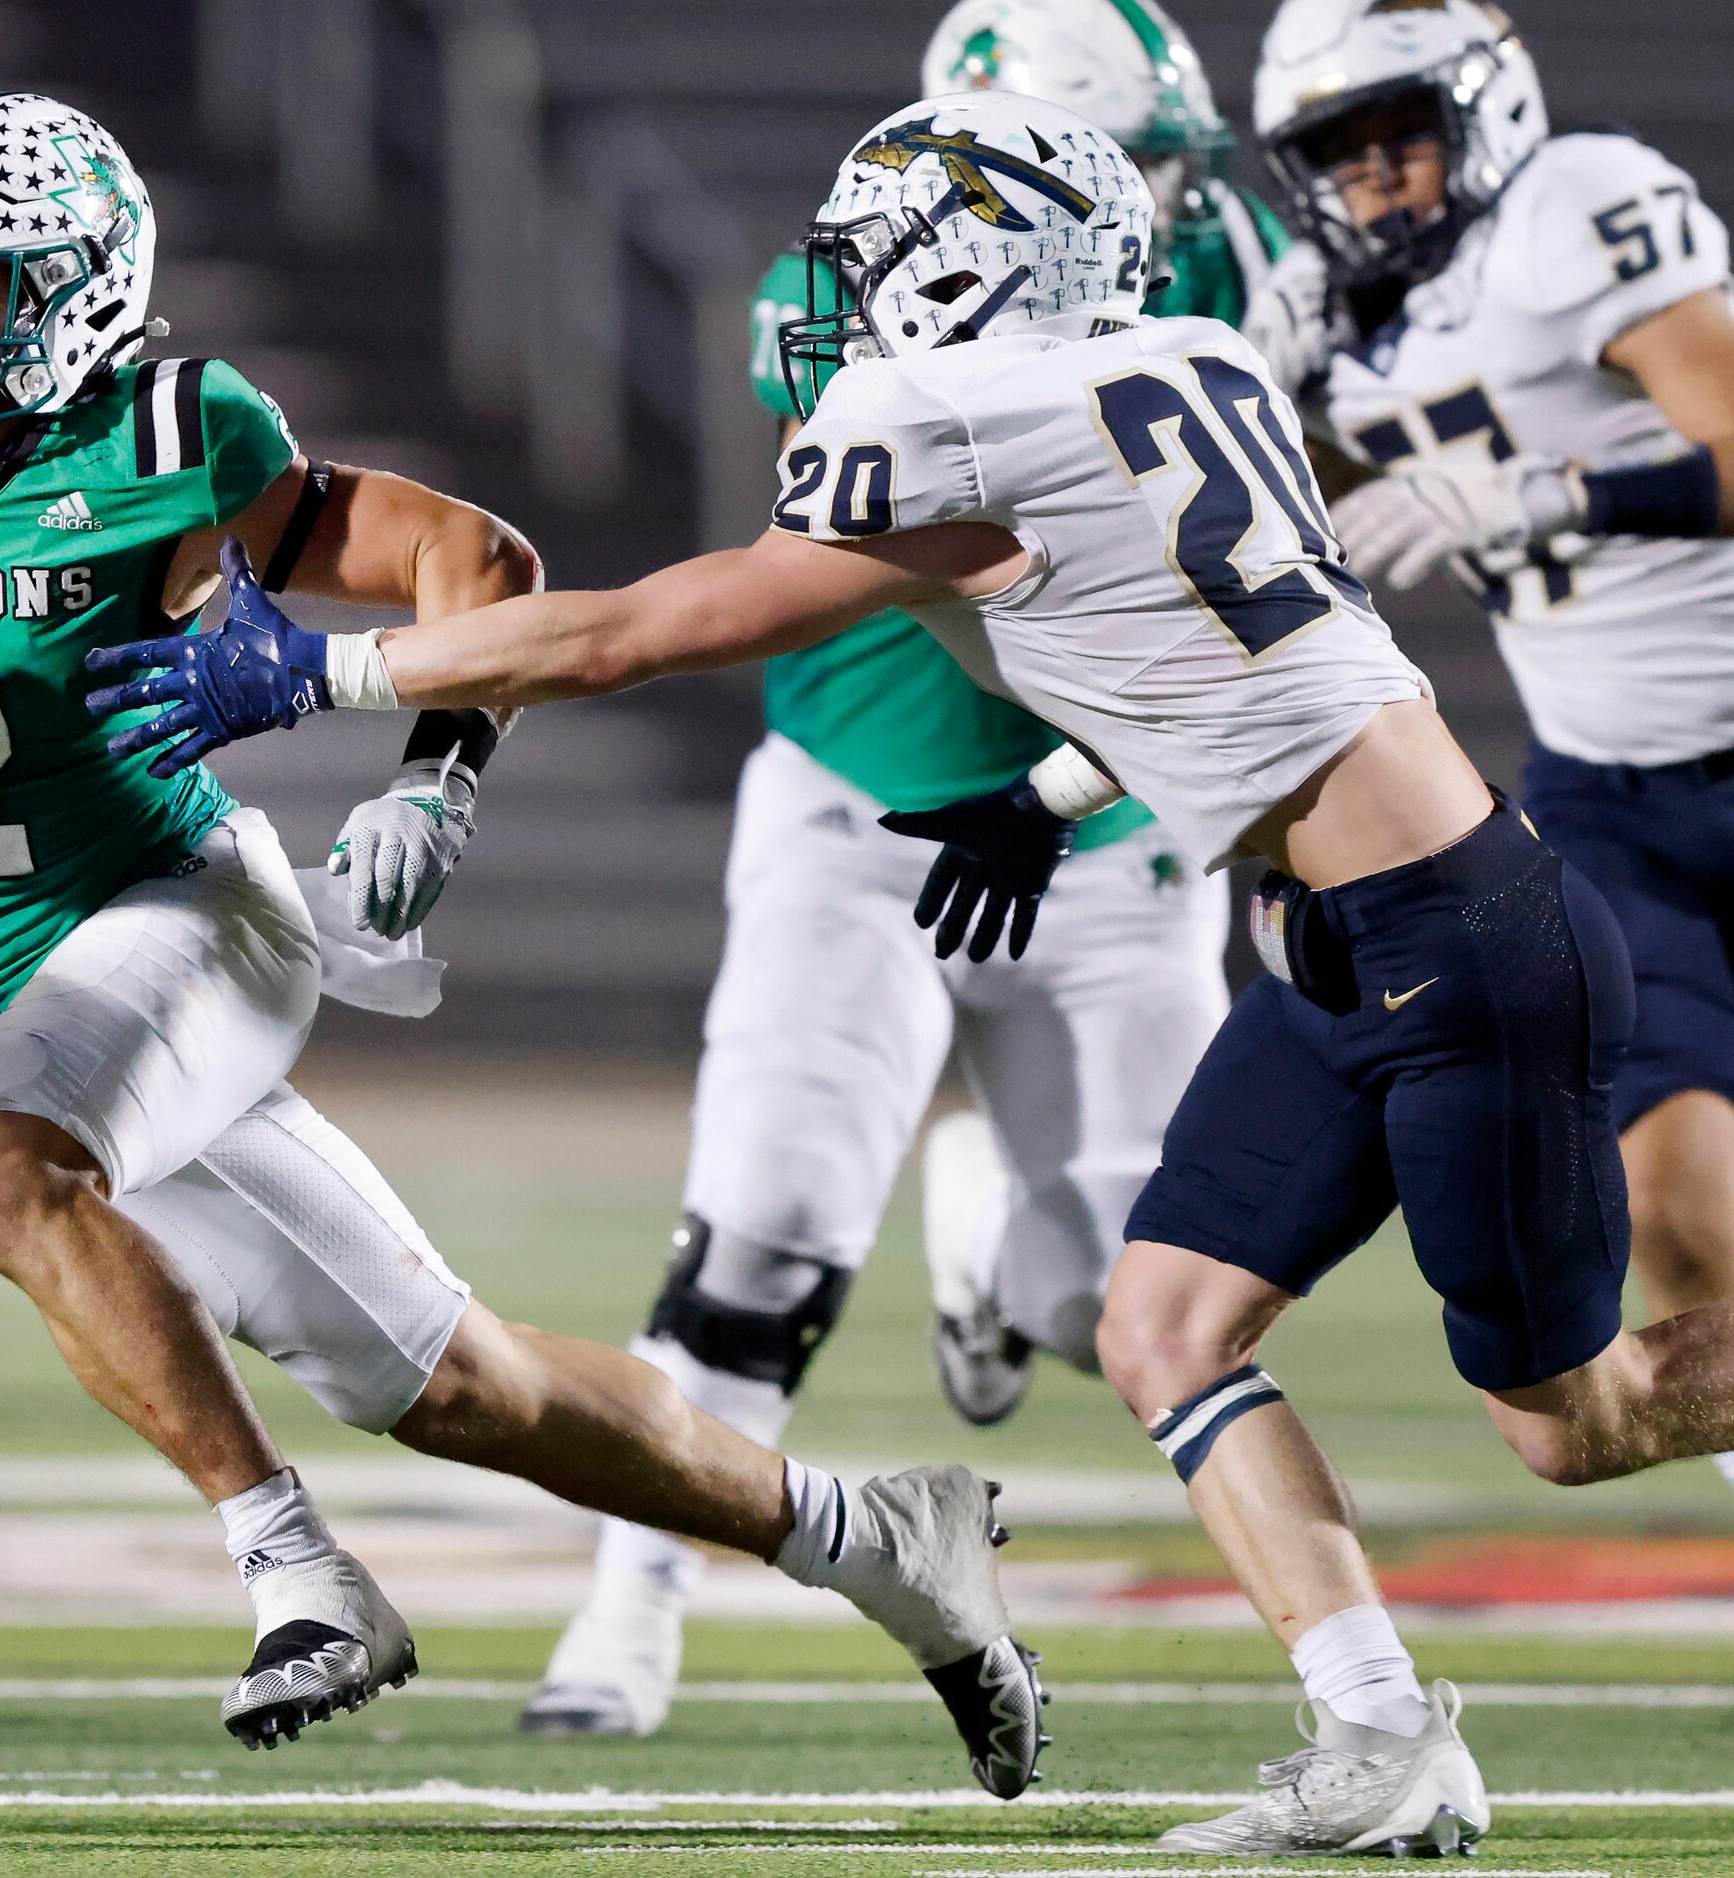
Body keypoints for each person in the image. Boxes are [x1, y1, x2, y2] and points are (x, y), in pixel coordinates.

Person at [90, 85, 1734, 1856]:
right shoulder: (1194, 355)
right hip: (1360, 925)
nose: (837, 298)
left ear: (969, 267)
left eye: (874, 257)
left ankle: (1391, 1721)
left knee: (1576, 1422)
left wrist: (329, 680)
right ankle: (1382, 1732)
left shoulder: (941, 412)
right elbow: (1245, 655)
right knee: (1161, 1324)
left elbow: (644, 630)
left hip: (1458, 947)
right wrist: (1046, 793)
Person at [0, 92, 1046, 1783]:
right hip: (24, 978)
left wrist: (440, 773)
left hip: (190, 915)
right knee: (464, 1385)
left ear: (71, 298)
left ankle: (296, 1569)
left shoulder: (162, 436)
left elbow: (467, 552)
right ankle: (886, 1541)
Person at [519, 0, 1270, 1742]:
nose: (1154, 213)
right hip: (863, 810)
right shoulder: (862, 290)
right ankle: (630, 1603)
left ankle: (997, 1245)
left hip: (1109, 826)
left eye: (1153, 170)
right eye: (1114, 171)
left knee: (1136, 1302)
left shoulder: (1229, 273)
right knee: (764, 1224)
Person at [1247, 0, 1734, 1502]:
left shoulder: (1570, 207)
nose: (1377, 173)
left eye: (1403, 131)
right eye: (1340, 148)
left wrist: (1553, 492)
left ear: (1486, 111)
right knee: (1672, 1202)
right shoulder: (1319, 316)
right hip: (1613, 783)